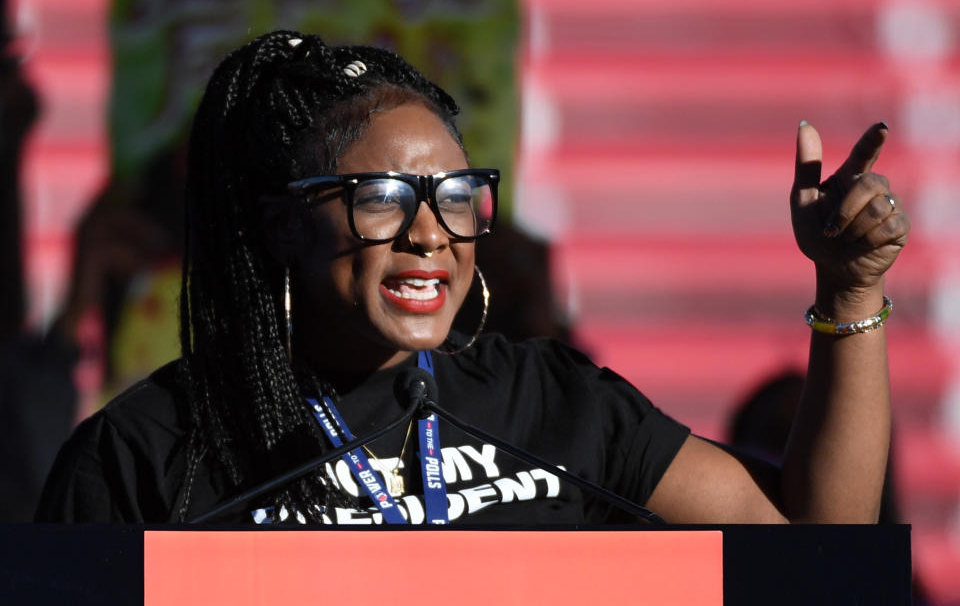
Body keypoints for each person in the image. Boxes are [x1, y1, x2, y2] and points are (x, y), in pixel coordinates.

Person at [35, 30, 908, 525]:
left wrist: (849, 293)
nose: (430, 234)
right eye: (381, 197)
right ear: (282, 223)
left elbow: (817, 542)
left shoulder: (554, 406)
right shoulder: (146, 455)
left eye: (456, 194)